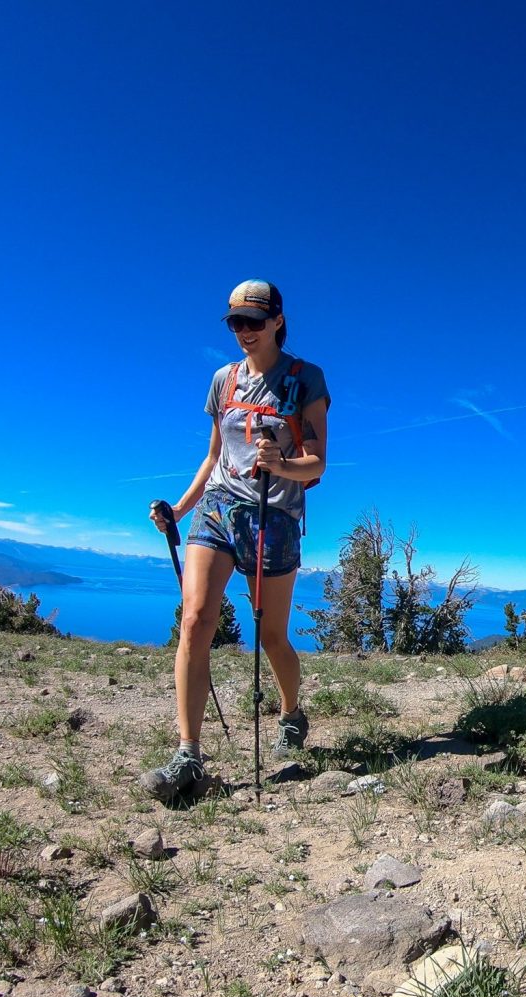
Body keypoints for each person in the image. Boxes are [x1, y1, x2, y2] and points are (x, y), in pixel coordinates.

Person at [140, 280, 330, 801]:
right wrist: (178, 510)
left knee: (271, 637)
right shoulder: (223, 380)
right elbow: (213, 457)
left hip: (275, 515)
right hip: (219, 508)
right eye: (235, 323)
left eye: (253, 321)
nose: (243, 332)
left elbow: (318, 462)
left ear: (277, 321)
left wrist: (281, 463)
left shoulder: (304, 379)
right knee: (197, 618)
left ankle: (292, 712)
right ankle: (188, 754)